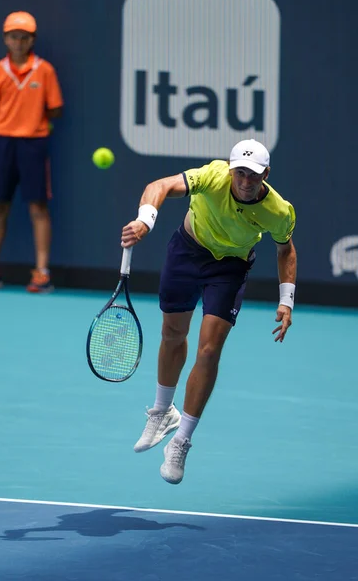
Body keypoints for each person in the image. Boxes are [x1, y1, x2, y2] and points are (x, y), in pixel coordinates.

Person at [121, 138, 297, 485]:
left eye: (254, 175)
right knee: (172, 334)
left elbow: (286, 251)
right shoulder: (213, 176)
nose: (246, 181)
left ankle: (182, 439)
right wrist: (146, 220)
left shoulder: (278, 210)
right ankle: (161, 411)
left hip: (229, 269)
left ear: (266, 175)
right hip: (187, 252)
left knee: (209, 349)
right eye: (241, 172)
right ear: (231, 170)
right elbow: (159, 186)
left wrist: (286, 300)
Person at [0, 11, 63, 293]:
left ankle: (42, 272)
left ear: (31, 40)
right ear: (5, 39)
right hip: (2, 143)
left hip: (33, 143)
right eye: (13, 37)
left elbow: (55, 108)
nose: (18, 42)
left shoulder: (44, 70)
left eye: (24, 37)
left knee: (38, 206)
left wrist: (32, 120)